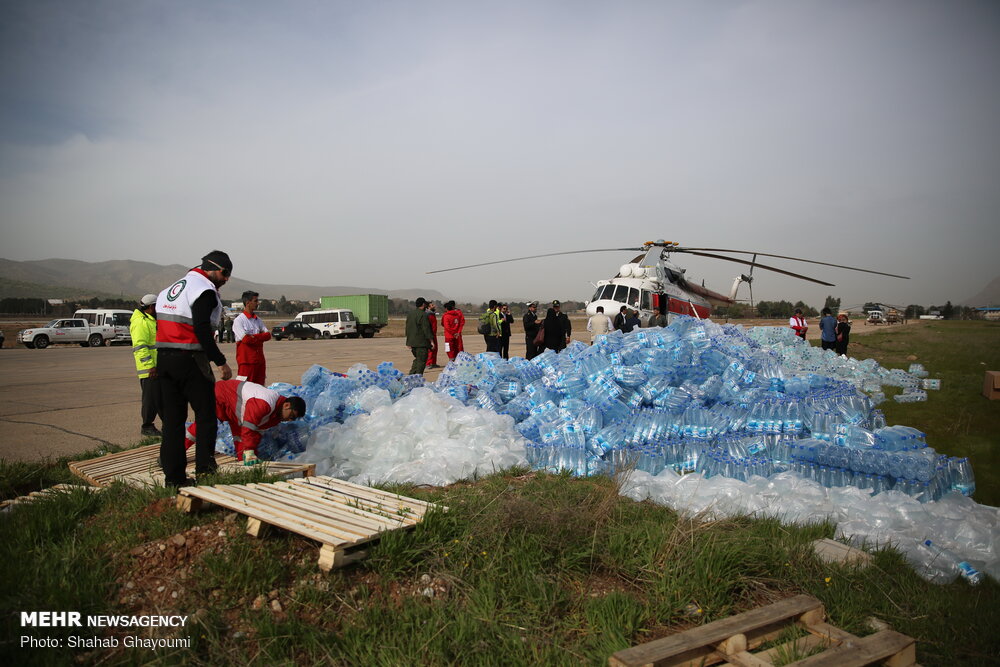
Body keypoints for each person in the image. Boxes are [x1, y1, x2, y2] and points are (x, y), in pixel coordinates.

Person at [156, 250, 234, 487]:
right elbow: (201, 328)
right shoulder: (204, 290)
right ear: (213, 268)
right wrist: (220, 361)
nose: (226, 279)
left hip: (164, 359)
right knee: (206, 416)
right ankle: (206, 471)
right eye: (225, 273)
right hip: (190, 359)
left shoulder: (170, 290)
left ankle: (174, 479)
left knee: (173, 422)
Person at [184, 379, 306, 465]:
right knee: (202, 426)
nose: (290, 420)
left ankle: (243, 464)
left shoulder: (275, 417)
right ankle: (178, 451)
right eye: (291, 416)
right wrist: (249, 450)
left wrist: (251, 454)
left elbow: (256, 433)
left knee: (241, 440)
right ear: (286, 405)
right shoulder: (265, 404)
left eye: (293, 419)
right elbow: (248, 427)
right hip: (221, 396)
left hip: (235, 410)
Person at [130, 293, 160, 437]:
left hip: (157, 367)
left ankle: (169, 425)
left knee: (160, 398)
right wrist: (150, 366)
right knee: (150, 399)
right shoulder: (141, 322)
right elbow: (140, 347)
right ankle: (147, 426)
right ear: (151, 307)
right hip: (149, 369)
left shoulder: (150, 320)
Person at [233, 290, 271, 385]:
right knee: (245, 388)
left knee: (260, 388)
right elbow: (246, 340)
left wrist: (253, 337)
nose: (257, 303)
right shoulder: (239, 321)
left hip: (260, 362)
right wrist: (260, 337)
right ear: (248, 303)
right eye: (255, 301)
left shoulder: (258, 320)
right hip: (246, 363)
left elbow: (268, 335)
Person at [405, 297, 435, 375]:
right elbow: (426, 329)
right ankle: (418, 377)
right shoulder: (423, 315)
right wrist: (431, 341)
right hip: (421, 343)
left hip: (412, 342)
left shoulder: (410, 314)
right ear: (423, 304)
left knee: (418, 359)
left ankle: (411, 376)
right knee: (421, 361)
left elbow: (408, 328)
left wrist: (408, 342)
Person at [425, 302, 441, 369]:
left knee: (435, 349)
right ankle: (428, 363)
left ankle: (433, 363)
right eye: (432, 305)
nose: (434, 306)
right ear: (428, 307)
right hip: (430, 334)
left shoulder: (432, 314)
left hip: (434, 334)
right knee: (430, 349)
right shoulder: (428, 315)